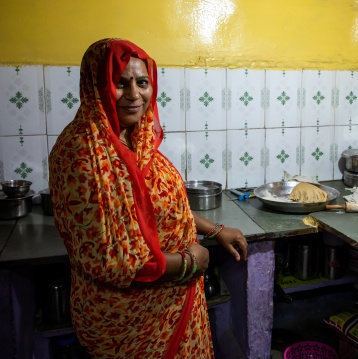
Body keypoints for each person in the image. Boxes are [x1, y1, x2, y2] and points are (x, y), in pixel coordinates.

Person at [49, 38, 248, 359]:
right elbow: (112, 262)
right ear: (95, 86)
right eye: (120, 83)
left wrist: (212, 229)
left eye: (142, 83)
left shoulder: (131, 137)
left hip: (172, 307)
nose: (134, 95)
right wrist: (190, 264)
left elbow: (157, 204)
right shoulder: (86, 156)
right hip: (132, 324)